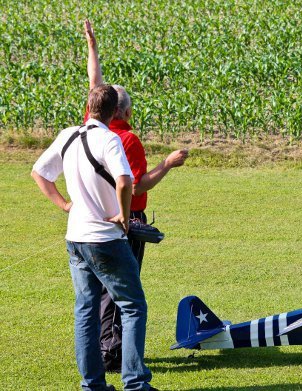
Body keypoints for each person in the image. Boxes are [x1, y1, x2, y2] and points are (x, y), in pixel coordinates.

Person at [32, 84, 157, 390]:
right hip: (105, 237)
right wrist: (124, 217)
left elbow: (39, 172)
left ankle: (92, 385)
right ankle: (135, 382)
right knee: (132, 306)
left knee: (86, 310)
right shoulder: (110, 139)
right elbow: (126, 181)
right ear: (116, 111)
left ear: (89, 106)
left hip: (75, 237)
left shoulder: (68, 135)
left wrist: (64, 204)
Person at [84, 20, 188, 372]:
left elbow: (94, 84)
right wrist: (169, 163)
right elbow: (138, 184)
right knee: (123, 293)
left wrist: (92, 48)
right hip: (124, 221)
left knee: (96, 292)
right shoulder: (127, 140)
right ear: (125, 111)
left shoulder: (91, 127)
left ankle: (100, 350)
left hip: (89, 221)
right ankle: (114, 353)